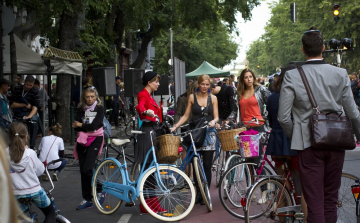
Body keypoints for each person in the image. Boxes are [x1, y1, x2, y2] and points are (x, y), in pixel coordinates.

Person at [278, 28, 360, 223]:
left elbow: (283, 117)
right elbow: (353, 114)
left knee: (314, 203)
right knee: (330, 200)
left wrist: (296, 135)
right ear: (323, 48)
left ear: (303, 50)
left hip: (308, 145)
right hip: (335, 141)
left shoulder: (292, 76)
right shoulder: (340, 74)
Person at [266, 64, 308, 220]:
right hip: (293, 141)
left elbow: (270, 121)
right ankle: (302, 214)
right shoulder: (298, 95)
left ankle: (282, 217)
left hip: (277, 142)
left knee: (281, 182)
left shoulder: (272, 97)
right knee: (301, 182)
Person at [170, 74, 219, 205]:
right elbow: (186, 115)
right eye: (202, 84)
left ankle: (206, 193)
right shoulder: (192, 97)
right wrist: (175, 126)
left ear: (210, 86)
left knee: (207, 165)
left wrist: (214, 122)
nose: (204, 87)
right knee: (196, 163)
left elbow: (216, 116)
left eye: (207, 84)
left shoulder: (213, 98)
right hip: (196, 133)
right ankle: (199, 192)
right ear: (198, 84)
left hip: (209, 133)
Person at [7, 122, 56, 222]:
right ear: (26, 136)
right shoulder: (30, 153)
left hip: (14, 193)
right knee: (50, 213)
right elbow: (40, 170)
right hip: (34, 191)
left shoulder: (3, 153)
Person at [135, 71, 166, 214]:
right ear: (149, 82)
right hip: (147, 132)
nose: (158, 84)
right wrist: (145, 111)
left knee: (152, 170)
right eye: (156, 81)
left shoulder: (150, 96)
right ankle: (146, 203)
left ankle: (151, 203)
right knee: (148, 169)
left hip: (153, 131)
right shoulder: (143, 95)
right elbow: (140, 106)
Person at [72, 86, 105, 210]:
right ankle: (87, 199)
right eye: (87, 97)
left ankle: (100, 188)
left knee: (87, 168)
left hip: (96, 138)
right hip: (82, 139)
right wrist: (83, 126)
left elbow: (94, 126)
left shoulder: (99, 108)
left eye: (92, 96)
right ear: (84, 98)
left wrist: (81, 125)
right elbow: (75, 126)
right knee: (83, 170)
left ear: (96, 97)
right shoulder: (81, 109)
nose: (90, 99)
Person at [10, 75, 40, 150]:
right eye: (27, 85)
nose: (28, 87)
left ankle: (32, 145)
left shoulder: (34, 92)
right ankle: (14, 144)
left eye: (30, 85)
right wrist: (24, 105)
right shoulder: (17, 89)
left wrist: (29, 116)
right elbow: (12, 104)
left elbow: (35, 107)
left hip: (29, 112)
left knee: (34, 122)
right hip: (18, 112)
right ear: (24, 82)